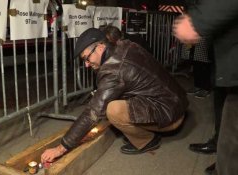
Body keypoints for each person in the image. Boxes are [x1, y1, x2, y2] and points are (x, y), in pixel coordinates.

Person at [41, 28, 188, 163]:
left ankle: (147, 141)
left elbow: (93, 112)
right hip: (176, 102)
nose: (86, 64)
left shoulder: (114, 70)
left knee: (113, 110)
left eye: (87, 58)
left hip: (170, 116)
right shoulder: (123, 45)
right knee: (112, 100)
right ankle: (141, 132)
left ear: (100, 47)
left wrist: (61, 148)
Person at [173, 1, 238, 174]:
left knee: (232, 122)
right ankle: (220, 149)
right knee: (223, 99)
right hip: (227, 50)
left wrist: (197, 20)